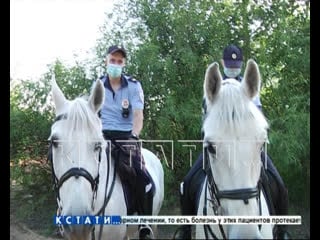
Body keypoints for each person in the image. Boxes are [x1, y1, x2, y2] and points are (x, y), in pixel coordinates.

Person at [174, 44, 290, 240]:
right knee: (187, 183)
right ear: (223, 63)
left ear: (241, 64)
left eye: (236, 64)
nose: (233, 67)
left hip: (246, 147)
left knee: (278, 183)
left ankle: (282, 229)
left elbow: (257, 116)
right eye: (229, 64)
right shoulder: (213, 90)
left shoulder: (249, 88)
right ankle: (185, 230)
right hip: (219, 148)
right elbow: (207, 122)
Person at [98, 45, 153, 239]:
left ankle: (144, 224)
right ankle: (66, 217)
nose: (116, 64)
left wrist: (134, 136)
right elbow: (92, 113)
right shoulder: (97, 86)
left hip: (126, 136)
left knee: (141, 174)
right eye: (112, 60)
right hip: (101, 135)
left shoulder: (133, 86)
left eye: (119, 61)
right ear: (106, 61)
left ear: (124, 64)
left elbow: (138, 115)